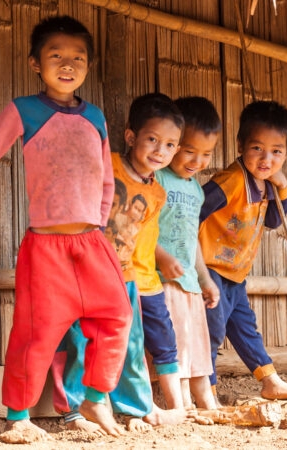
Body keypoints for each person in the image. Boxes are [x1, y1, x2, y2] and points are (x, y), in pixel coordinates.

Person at [0, 16, 132, 443]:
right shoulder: (24, 110)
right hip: (46, 247)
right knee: (36, 333)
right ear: (36, 63)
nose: (68, 64)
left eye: (78, 58)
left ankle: (95, 397)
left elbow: (107, 180)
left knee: (117, 316)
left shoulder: (95, 116)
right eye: (56, 55)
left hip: (93, 241)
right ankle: (17, 417)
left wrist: (101, 227)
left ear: (88, 65)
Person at [53, 93, 189, 434]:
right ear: (131, 137)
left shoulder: (157, 194)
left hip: (123, 276)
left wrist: (147, 274)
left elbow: (143, 240)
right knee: (80, 340)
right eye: (152, 139)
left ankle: (134, 409)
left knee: (129, 344)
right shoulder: (106, 165)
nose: (160, 150)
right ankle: (74, 411)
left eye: (170, 145)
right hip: (85, 269)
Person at [198, 100, 287, 403]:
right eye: (257, 148)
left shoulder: (266, 183)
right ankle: (207, 393)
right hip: (209, 268)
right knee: (212, 330)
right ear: (240, 145)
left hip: (235, 272)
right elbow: (195, 209)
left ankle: (270, 381)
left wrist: (282, 186)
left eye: (276, 151)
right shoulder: (232, 180)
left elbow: (274, 220)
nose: (266, 159)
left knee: (245, 328)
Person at [153, 96, 222, 411]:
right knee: (177, 341)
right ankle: (181, 404)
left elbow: (192, 238)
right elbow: (142, 228)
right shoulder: (157, 179)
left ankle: (206, 399)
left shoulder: (195, 189)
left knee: (197, 344)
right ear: (174, 144)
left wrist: (205, 279)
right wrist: (161, 257)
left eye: (207, 154)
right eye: (189, 151)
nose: (198, 161)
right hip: (164, 280)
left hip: (190, 283)